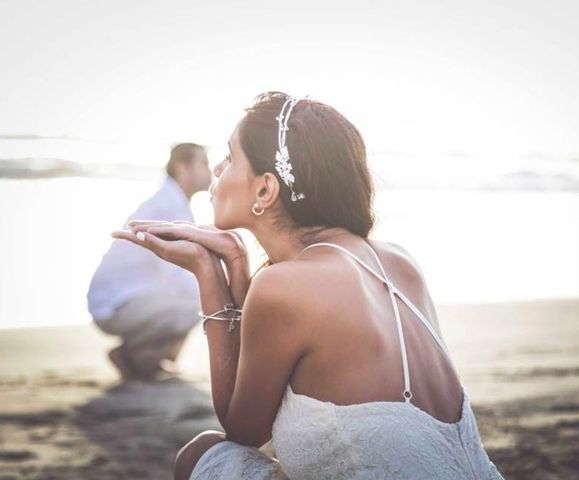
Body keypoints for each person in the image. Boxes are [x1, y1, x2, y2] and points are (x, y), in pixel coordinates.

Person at [114, 92, 503, 478]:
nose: (217, 168)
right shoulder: (399, 262)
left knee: (201, 454)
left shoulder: (285, 287)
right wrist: (235, 261)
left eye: (230, 157)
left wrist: (208, 272)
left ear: (265, 190)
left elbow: (242, 430)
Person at [88, 143, 212, 380]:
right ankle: (135, 356)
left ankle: (149, 358)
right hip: (115, 306)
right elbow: (178, 272)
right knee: (201, 304)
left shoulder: (172, 202)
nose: (211, 171)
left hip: (127, 300)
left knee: (197, 299)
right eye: (203, 163)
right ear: (181, 167)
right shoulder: (167, 207)